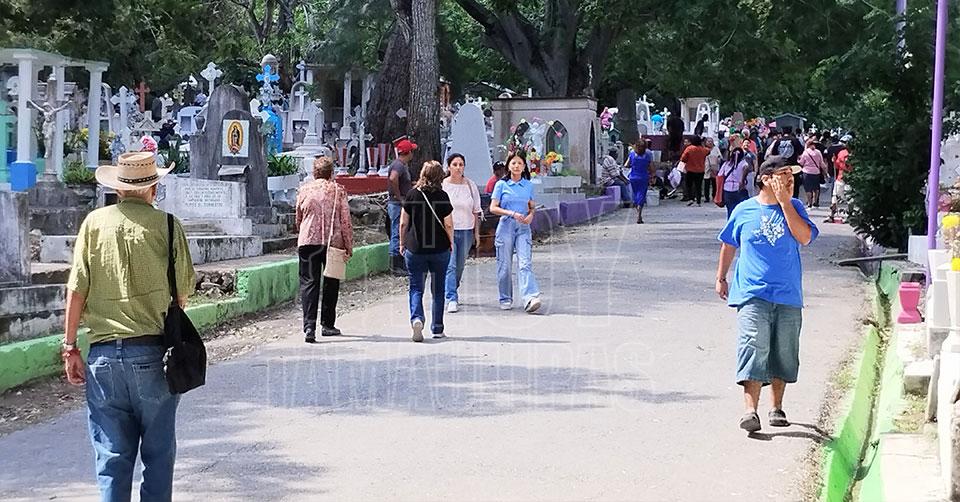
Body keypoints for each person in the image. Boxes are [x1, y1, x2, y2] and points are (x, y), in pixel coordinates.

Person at [63, 151, 195, 500]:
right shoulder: (168, 226)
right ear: (154, 188)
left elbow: (76, 289)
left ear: (118, 189)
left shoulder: (93, 224)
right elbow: (183, 291)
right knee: (158, 457)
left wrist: (69, 347)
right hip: (154, 356)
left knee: (111, 460)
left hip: (103, 358)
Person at [715, 156, 819, 433]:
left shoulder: (795, 207)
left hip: (787, 293)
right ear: (765, 179)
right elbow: (729, 244)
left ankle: (777, 407)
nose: (789, 180)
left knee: (783, 350)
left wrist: (785, 204)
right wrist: (721, 277)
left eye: (791, 175)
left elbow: (804, 237)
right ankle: (750, 411)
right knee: (753, 345)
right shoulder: (744, 210)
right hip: (752, 292)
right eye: (783, 174)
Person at [296, 156, 354, 342]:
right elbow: (345, 221)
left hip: (307, 241)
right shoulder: (338, 191)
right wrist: (349, 245)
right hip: (333, 242)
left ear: (314, 172)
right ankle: (327, 325)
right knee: (331, 283)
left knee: (309, 283)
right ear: (331, 173)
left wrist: (303, 232)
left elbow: (298, 217)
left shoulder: (304, 190)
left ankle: (309, 327)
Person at [400, 161, 454, 341]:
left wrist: (402, 243)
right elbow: (448, 224)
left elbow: (403, 223)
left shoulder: (412, 194)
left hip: (415, 248)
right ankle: (437, 328)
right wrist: (451, 242)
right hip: (439, 249)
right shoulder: (443, 196)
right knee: (438, 289)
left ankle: (417, 318)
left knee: (416, 287)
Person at [490, 153, 542, 313]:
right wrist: (511, 213)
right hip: (506, 226)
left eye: (520, 163)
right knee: (504, 265)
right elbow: (493, 208)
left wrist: (531, 215)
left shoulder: (528, 185)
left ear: (524, 166)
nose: (516, 166)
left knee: (525, 263)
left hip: (523, 228)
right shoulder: (501, 185)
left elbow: (532, 206)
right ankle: (505, 297)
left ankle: (530, 297)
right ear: (508, 166)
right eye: (513, 163)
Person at [442, 153, 482, 313]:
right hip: (448, 230)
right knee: (450, 265)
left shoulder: (470, 186)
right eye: (455, 164)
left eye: (461, 165)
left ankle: (452, 286)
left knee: (459, 266)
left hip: (466, 230)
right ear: (449, 167)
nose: (458, 168)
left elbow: (476, 211)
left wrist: (476, 233)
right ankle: (451, 297)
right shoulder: (443, 185)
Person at [388, 138, 417, 276]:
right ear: (408, 152)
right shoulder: (399, 166)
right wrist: (399, 197)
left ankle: (399, 262)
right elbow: (393, 178)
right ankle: (395, 264)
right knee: (397, 231)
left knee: (399, 230)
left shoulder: (401, 165)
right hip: (397, 203)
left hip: (397, 202)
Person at [719, 148, 753, 218]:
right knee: (741, 209)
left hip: (727, 188)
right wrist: (742, 179)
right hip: (739, 188)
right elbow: (748, 168)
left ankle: (730, 221)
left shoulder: (726, 164)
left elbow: (720, 175)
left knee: (730, 209)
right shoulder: (743, 163)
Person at [771, 126, 804, 198]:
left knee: (782, 185)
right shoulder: (795, 140)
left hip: (781, 167)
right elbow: (801, 151)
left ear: (783, 132)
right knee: (794, 185)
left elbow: (774, 153)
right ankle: (794, 200)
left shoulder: (778, 141)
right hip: (793, 166)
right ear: (791, 132)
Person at [624, 140, 653, 223]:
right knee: (641, 195)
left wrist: (632, 165)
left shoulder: (632, 154)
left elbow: (626, 165)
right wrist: (652, 176)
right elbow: (651, 167)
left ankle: (638, 211)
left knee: (635, 194)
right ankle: (639, 214)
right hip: (643, 177)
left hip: (633, 177)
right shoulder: (647, 155)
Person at [827, 136, 852, 223]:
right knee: (835, 196)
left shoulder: (852, 154)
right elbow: (837, 166)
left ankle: (849, 216)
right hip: (841, 177)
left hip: (849, 179)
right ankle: (832, 215)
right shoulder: (841, 152)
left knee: (849, 198)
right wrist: (834, 161)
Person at [798, 138, 828, 208]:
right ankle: (815, 202)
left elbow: (801, 163)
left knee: (808, 189)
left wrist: (798, 160)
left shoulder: (805, 152)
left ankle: (809, 203)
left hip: (806, 172)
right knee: (816, 188)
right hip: (816, 172)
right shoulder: (818, 152)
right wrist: (825, 172)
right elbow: (821, 163)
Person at [680, 136, 710, 206]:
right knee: (698, 186)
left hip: (690, 170)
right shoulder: (703, 149)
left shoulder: (689, 148)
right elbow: (708, 151)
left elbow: (683, 159)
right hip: (700, 170)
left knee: (689, 185)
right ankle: (698, 201)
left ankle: (691, 199)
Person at [704, 137, 721, 202]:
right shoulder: (703, 149)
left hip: (715, 168)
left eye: (711, 141)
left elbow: (719, 157)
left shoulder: (716, 149)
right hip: (706, 169)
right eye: (708, 141)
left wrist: (718, 160)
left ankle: (714, 196)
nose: (710, 142)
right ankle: (706, 197)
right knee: (706, 183)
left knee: (714, 184)